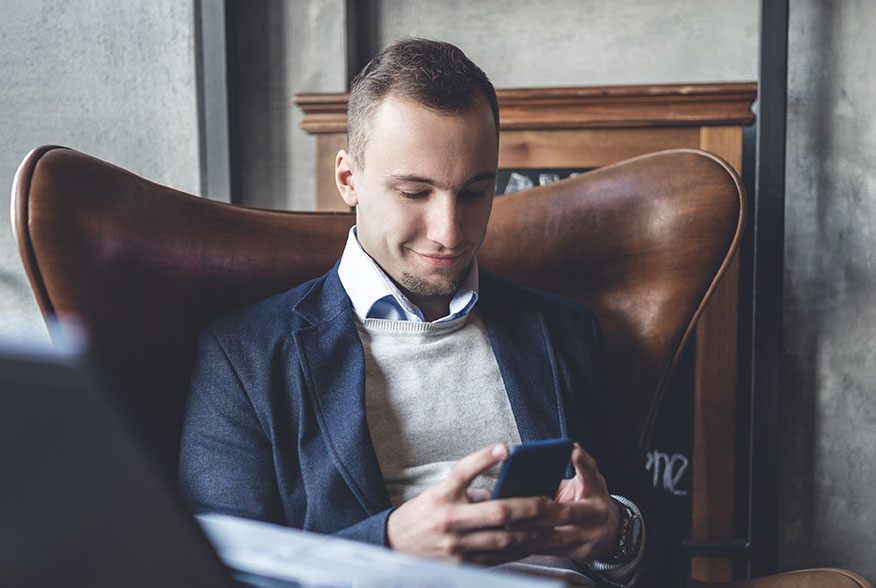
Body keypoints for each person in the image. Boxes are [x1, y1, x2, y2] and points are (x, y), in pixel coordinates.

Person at [179, 38, 684, 586]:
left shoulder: (563, 331)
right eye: (416, 192)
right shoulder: (244, 356)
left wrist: (616, 534)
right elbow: (212, 571)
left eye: (474, 192)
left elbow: (667, 554)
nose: (449, 232)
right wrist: (390, 544)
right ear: (348, 179)